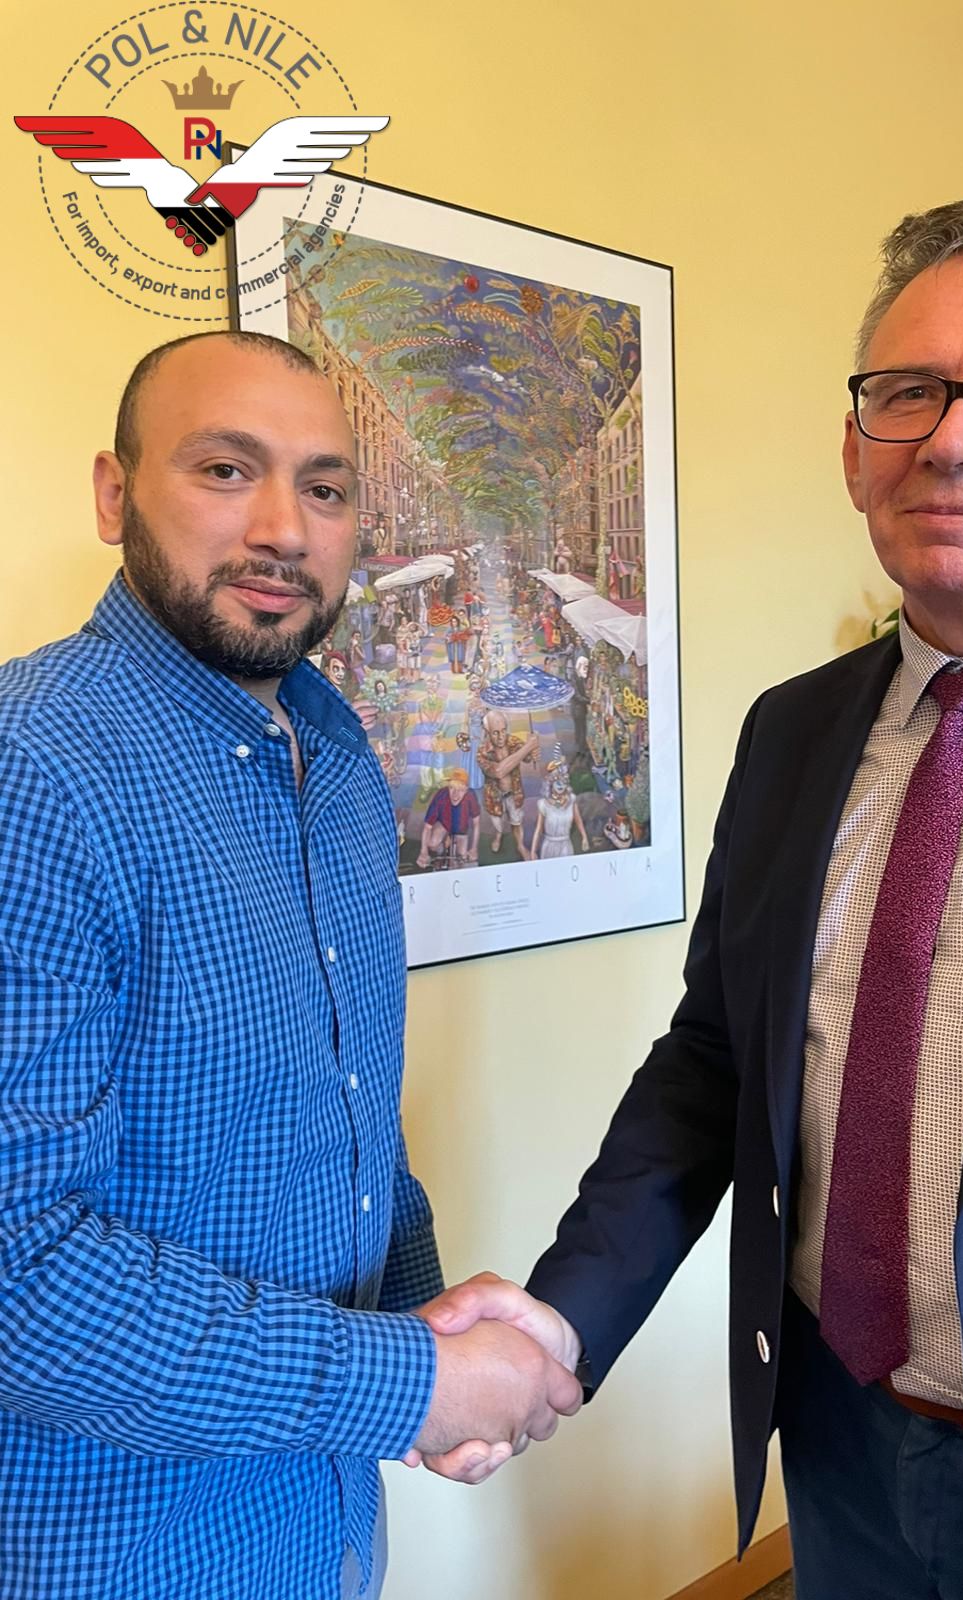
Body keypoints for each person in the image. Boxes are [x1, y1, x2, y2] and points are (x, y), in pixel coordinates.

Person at [414, 183, 963, 1600]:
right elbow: (713, 1061)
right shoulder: (793, 732)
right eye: (909, 393)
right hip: (835, 1444)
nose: (953, 439)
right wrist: (560, 1321)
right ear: (855, 449)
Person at [0, 330, 580, 1600]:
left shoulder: (340, 764)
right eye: (224, 469)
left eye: (324, 487)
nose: (282, 528)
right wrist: (412, 1383)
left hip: (322, 1533)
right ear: (113, 493)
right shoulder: (32, 770)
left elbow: (348, 1127)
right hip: (119, 1559)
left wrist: (427, 1328)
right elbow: (15, 1271)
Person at [477, 708, 537, 858]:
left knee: (517, 822)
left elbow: (528, 758)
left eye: (504, 730)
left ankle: (520, 846)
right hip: (495, 797)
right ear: (487, 732)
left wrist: (534, 751)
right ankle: (498, 835)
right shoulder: (482, 752)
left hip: (514, 793)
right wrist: (527, 748)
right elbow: (498, 771)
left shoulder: (513, 741)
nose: (501, 737)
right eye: (495, 732)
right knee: (498, 823)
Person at [417, 769, 481, 867]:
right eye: (452, 788)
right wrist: (423, 852)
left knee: (462, 857)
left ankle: (451, 846)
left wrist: (474, 848)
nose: (455, 794)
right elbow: (427, 827)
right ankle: (442, 849)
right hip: (444, 824)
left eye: (460, 790)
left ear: (466, 790)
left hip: (461, 829)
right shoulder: (441, 796)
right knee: (432, 843)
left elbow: (476, 823)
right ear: (448, 787)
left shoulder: (471, 796)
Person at [531, 755, 589, 859]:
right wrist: (533, 851)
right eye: (557, 782)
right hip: (549, 846)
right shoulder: (543, 804)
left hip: (566, 846)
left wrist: (584, 837)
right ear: (551, 783)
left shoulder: (571, 800)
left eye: (563, 782)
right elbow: (538, 829)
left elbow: (578, 820)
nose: (561, 786)